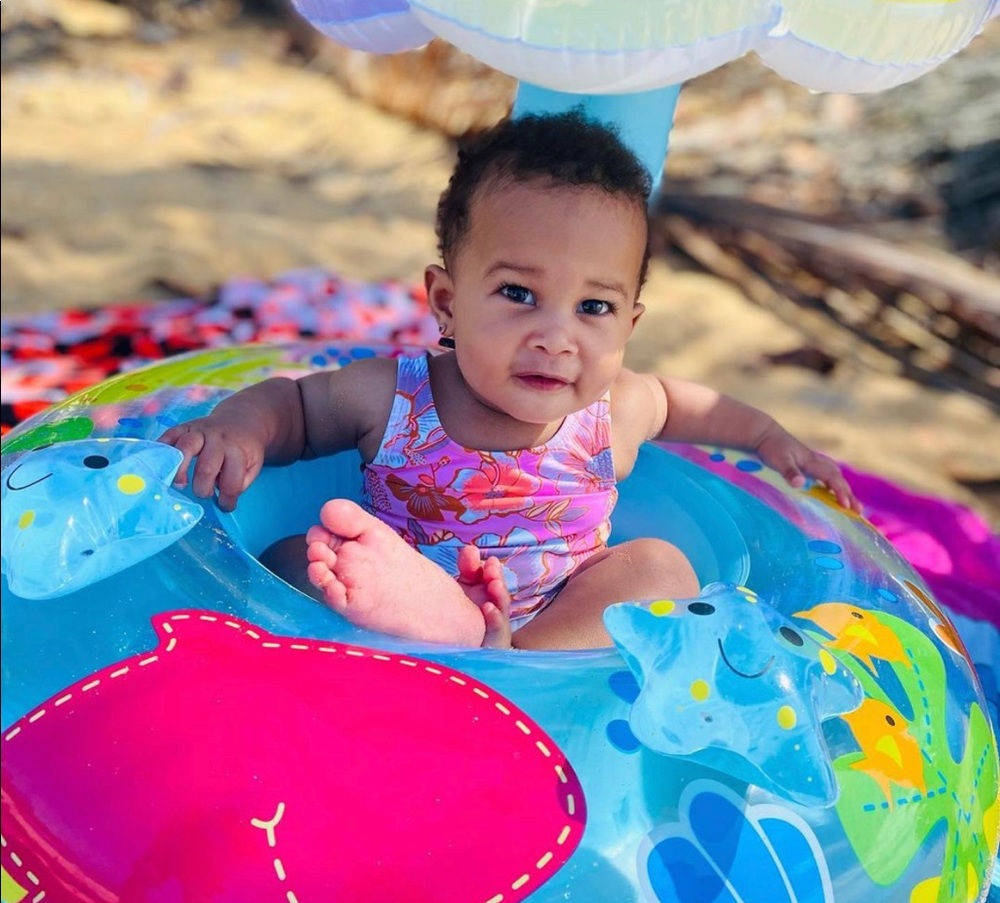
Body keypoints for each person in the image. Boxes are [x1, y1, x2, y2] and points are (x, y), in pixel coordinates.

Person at [160, 109, 859, 651]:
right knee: (296, 559)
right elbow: (296, 405)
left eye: (594, 307)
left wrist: (768, 438)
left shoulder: (613, 411)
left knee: (660, 570)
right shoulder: (396, 398)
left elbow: (685, 401)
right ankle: (442, 637)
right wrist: (240, 430)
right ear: (446, 303)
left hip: (552, 615)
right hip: (403, 593)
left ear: (629, 326)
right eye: (519, 294)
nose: (556, 336)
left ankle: (507, 654)